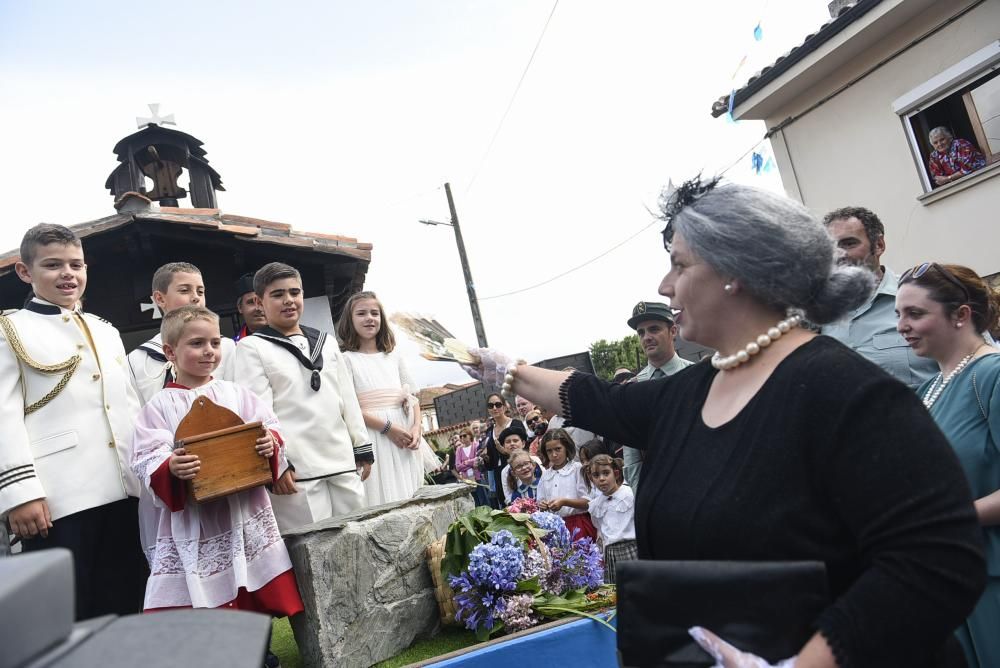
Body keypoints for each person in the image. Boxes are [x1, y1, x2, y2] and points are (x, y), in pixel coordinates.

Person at [482, 177, 986, 666]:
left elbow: (936, 554)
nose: (664, 285)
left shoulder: (845, 391)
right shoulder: (690, 390)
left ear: (735, 271)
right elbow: (595, 399)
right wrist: (506, 369)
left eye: (678, 264)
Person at [0, 223, 146, 620]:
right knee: (62, 615)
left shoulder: (106, 331)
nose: (68, 274)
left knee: (122, 605)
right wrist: (20, 493)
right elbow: (3, 415)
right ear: (24, 272)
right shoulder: (10, 329)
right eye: (53, 265)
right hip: (56, 498)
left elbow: (128, 409)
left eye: (76, 264)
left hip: (123, 490)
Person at [130, 306, 303, 619]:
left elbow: (268, 426)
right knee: (207, 596)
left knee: (251, 588)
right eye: (197, 344)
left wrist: (269, 443)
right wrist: (170, 466)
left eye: (214, 342)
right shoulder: (158, 406)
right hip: (197, 520)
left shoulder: (235, 393)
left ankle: (262, 654)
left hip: (242, 508)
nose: (208, 351)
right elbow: (146, 456)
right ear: (170, 351)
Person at [896, 262, 1000, 668]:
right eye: (898, 314)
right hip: (951, 577)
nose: (902, 325)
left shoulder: (992, 375)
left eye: (915, 313)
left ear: (961, 315)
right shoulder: (927, 389)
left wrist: (947, 518)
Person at [233, 262, 371, 532]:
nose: (288, 300)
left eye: (295, 292)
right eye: (278, 294)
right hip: (298, 472)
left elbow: (347, 399)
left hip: (342, 462)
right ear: (260, 302)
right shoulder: (252, 348)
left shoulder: (327, 342)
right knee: (314, 554)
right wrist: (277, 465)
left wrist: (361, 446)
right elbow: (256, 414)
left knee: (358, 541)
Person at [822, 206, 938, 388]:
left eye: (849, 243)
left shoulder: (927, 296)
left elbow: (976, 370)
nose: (838, 255)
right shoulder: (818, 315)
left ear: (879, 245)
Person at [337, 291, 429, 506]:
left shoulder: (394, 356)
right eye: (361, 313)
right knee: (382, 492)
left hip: (404, 436)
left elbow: (412, 396)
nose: (369, 318)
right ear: (350, 321)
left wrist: (416, 427)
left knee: (410, 490)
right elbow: (348, 408)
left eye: (374, 313)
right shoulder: (346, 360)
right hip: (374, 434)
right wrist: (388, 428)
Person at [127, 262, 237, 405]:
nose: (196, 297)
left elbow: (241, 400)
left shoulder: (225, 348)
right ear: (160, 298)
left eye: (200, 291)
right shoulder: (137, 360)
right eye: (185, 290)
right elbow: (137, 415)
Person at [623, 301, 693, 490]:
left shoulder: (698, 376)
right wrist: (644, 499)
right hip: (658, 491)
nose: (647, 337)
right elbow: (632, 460)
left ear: (673, 331)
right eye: (641, 332)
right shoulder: (633, 388)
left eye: (654, 329)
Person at [537, 429, 596, 542]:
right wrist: (543, 505)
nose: (554, 454)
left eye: (558, 449)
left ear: (566, 448)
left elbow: (588, 502)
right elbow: (540, 502)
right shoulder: (545, 476)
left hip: (578, 525)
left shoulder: (577, 469)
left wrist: (564, 502)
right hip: (555, 528)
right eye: (549, 451)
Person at [587, 454, 636, 584]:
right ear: (591, 479)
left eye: (606, 473)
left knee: (637, 585)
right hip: (611, 553)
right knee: (617, 591)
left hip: (631, 548)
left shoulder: (629, 493)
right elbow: (599, 526)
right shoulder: (595, 505)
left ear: (616, 474)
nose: (602, 479)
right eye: (596, 475)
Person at [481, 393, 522, 509]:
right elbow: (491, 463)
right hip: (498, 474)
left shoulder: (515, 424)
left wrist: (504, 451)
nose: (494, 408)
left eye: (498, 404)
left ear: (504, 407)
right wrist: (486, 458)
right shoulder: (489, 430)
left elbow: (524, 451)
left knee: (519, 504)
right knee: (505, 507)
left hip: (516, 470)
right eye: (490, 405)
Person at [496, 423, 542, 504]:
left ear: (523, 443)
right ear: (504, 447)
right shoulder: (505, 471)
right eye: (508, 442)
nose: (512, 444)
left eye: (515, 441)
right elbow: (508, 496)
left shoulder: (535, 460)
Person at [454, 427, 488, 506]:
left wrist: (466, 462)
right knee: (474, 502)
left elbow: (478, 460)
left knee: (483, 500)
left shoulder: (476, 445)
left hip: (478, 477)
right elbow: (458, 467)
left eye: (464, 435)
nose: (462, 438)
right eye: (461, 436)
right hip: (467, 480)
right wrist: (471, 464)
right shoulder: (459, 449)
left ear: (470, 435)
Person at [234, 272, 267, 341]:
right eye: (251, 302)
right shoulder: (234, 348)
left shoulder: (290, 338)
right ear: (240, 307)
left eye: (262, 302)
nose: (258, 308)